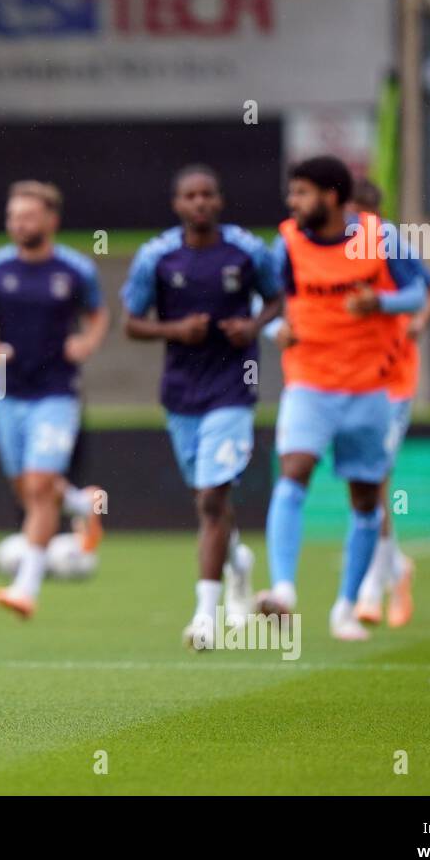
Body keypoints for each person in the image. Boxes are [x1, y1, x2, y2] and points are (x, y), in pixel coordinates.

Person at [256, 156, 429, 641]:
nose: (293, 203)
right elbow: (265, 298)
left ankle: (348, 607)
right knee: (293, 473)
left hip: (369, 388)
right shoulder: (287, 241)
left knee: (366, 499)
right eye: (292, 194)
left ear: (331, 196)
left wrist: (382, 303)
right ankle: (283, 591)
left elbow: (418, 292)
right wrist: (275, 327)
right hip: (309, 383)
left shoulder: (378, 237)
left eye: (302, 193)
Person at [121, 164, 282, 650]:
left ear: (219, 200)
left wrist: (254, 327)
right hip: (181, 393)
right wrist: (174, 331)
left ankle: (204, 618)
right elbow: (131, 322)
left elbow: (279, 299)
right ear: (177, 204)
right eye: (190, 196)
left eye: (207, 194)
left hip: (233, 389)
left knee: (213, 499)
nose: (200, 203)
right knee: (207, 500)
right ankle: (239, 565)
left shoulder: (249, 249)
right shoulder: (157, 256)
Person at [0, 181, 109, 620]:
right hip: (7, 392)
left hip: (57, 393)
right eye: (13, 216)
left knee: (41, 487)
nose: (18, 223)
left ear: (50, 221)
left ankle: (25, 587)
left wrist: (88, 341)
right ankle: (83, 503)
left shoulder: (75, 270)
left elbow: (99, 313)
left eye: (27, 216)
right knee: (27, 489)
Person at [347, 178, 430, 628]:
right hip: (354, 380)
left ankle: (368, 589)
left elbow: (427, 288)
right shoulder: (333, 248)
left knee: (375, 475)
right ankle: (395, 569)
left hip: (395, 379)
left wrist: (417, 319)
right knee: (366, 480)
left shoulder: (387, 241)